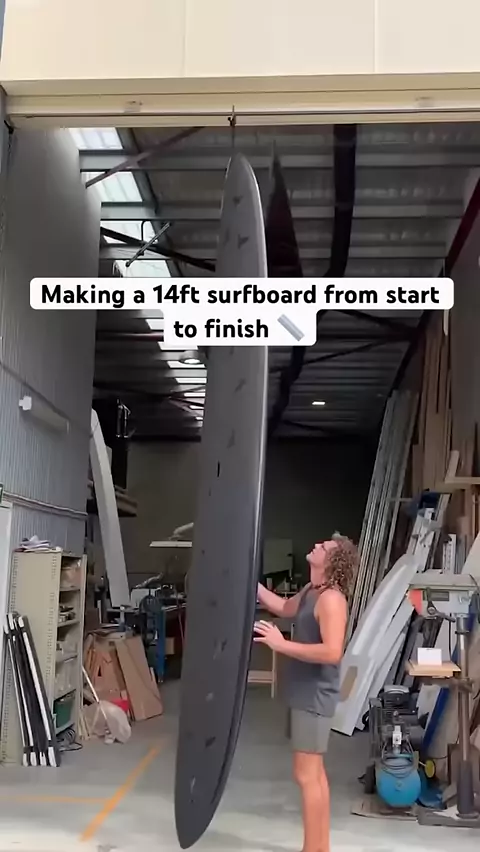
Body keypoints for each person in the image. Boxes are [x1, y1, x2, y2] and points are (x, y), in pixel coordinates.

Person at [254, 534, 359, 852]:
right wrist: (248, 582)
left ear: (332, 562)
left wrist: (281, 645)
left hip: (315, 695)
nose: (316, 545)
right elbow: (283, 607)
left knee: (307, 776)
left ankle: (313, 849)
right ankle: (319, 847)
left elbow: (332, 652)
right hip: (303, 692)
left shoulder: (331, 600)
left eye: (324, 547)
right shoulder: (312, 591)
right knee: (313, 775)